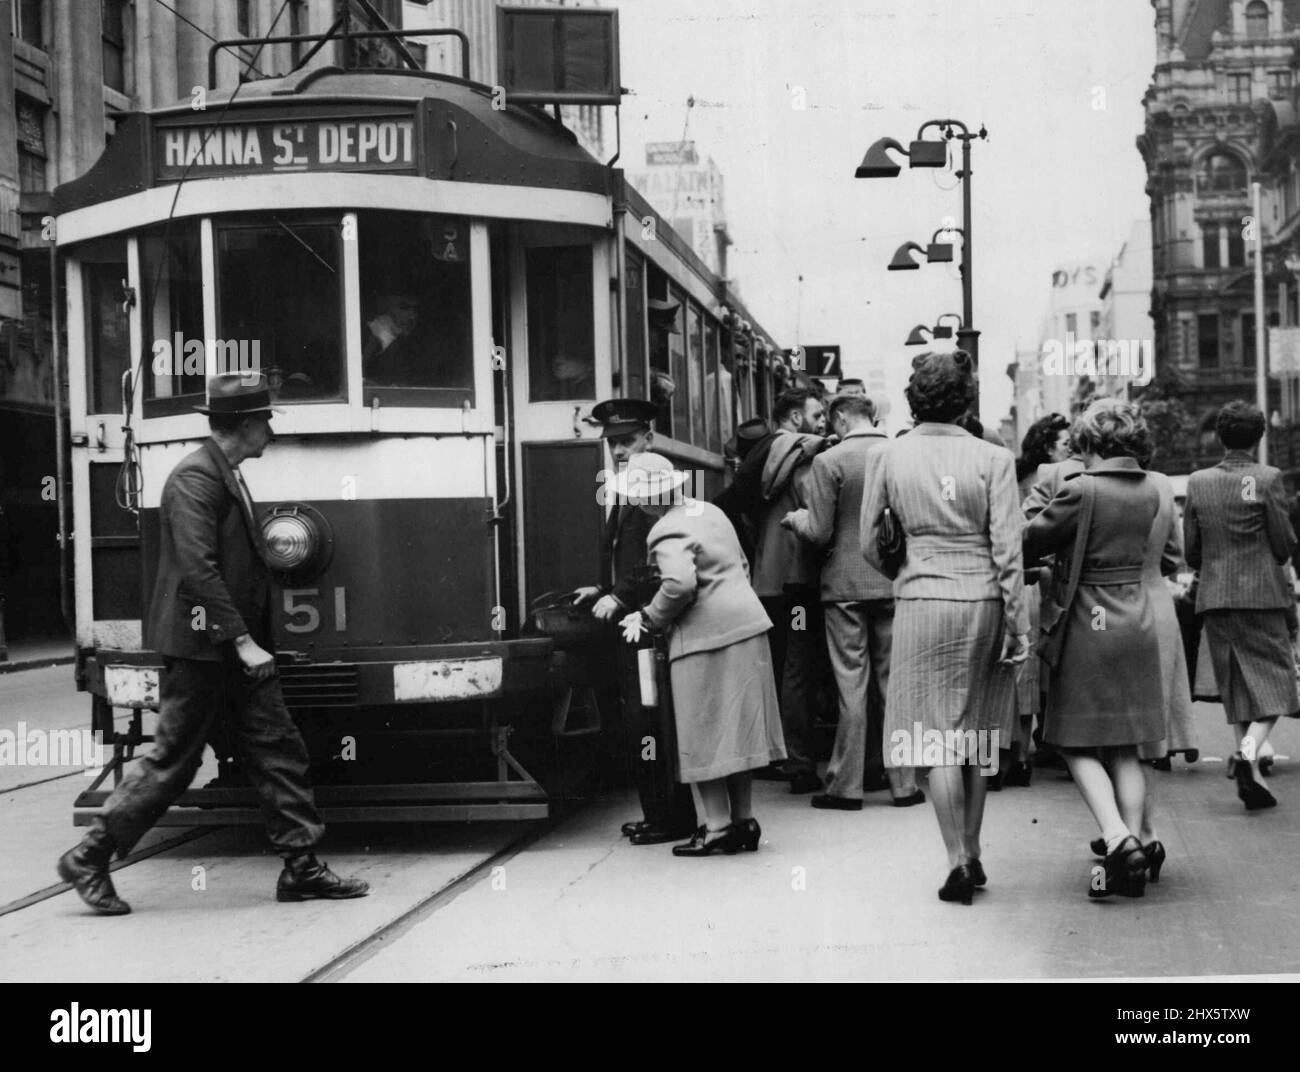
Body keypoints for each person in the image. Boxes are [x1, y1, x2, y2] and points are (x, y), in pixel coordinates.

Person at [57, 372, 369, 915]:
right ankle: (90, 855)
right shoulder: (194, 480)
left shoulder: (224, 473)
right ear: (246, 425)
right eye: (266, 420)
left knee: (278, 750)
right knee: (174, 762)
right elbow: (197, 570)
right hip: (204, 649)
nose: (271, 430)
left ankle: (301, 868)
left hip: (229, 649)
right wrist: (244, 641)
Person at [861, 351, 1028, 906]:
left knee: (934, 736)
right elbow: (1009, 549)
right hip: (982, 598)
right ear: (967, 400)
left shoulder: (890, 456)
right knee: (977, 730)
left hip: (920, 598)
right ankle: (974, 851)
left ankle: (955, 857)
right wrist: (1016, 621)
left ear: (915, 399)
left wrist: (907, 573)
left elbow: (868, 542)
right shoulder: (994, 458)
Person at [1024, 399, 1171, 900]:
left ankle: (1116, 837)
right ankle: (1130, 858)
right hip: (1136, 618)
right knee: (1127, 744)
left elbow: (1031, 539)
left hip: (1090, 618)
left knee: (1076, 742)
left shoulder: (1081, 489)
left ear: (1092, 441)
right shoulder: (1152, 488)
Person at [615, 454, 786, 856]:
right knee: (738, 731)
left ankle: (717, 827)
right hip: (746, 625)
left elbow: (678, 585)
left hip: (705, 638)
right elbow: (741, 562)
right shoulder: (708, 511)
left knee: (701, 732)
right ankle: (744, 821)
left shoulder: (665, 528)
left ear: (647, 499)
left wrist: (649, 617)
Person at [783, 394, 922, 809]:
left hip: (843, 587)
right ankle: (904, 785)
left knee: (850, 684)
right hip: (891, 580)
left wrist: (796, 520)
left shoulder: (831, 461)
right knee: (892, 683)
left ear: (842, 417)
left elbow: (821, 530)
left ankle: (846, 787)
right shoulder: (900, 454)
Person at [572, 399, 696, 845]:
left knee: (651, 719)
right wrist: (600, 589)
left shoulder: (651, 490)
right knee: (639, 717)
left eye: (627, 441)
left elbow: (654, 565)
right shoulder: (624, 490)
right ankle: (658, 813)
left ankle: (670, 818)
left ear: (649, 438)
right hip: (632, 617)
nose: (620, 452)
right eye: (613, 445)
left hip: (646, 620)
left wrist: (620, 595)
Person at [1184, 401, 1299, 810]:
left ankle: (1249, 773)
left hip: (1215, 596)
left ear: (1218, 436)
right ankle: (1249, 752)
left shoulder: (1198, 482)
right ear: (1258, 437)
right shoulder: (1267, 478)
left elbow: (1192, 551)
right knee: (1279, 685)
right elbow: (1284, 544)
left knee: (1234, 686)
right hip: (1263, 596)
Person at [750, 388, 829, 794]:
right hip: (798, 578)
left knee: (781, 668)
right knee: (801, 670)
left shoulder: (764, 456)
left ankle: (779, 755)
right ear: (795, 417)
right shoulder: (802, 460)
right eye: (816, 414)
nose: (822, 421)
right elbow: (818, 519)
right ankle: (799, 762)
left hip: (767, 579)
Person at [1009, 413, 1071, 786]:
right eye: (1065, 443)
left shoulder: (1022, 477)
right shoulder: (1049, 480)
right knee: (1043, 662)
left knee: (1032, 664)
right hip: (1038, 579)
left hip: (1028, 579)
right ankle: (1043, 741)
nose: (1071, 449)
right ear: (1049, 447)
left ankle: (1025, 745)